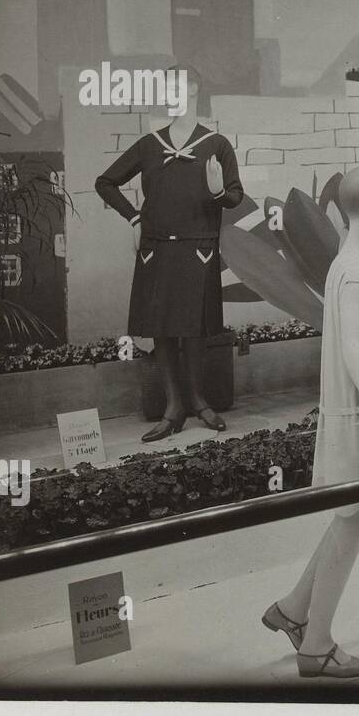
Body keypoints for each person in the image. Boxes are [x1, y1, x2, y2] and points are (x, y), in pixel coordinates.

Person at [262, 167, 359, 680]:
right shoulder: (355, 270)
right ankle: (316, 644)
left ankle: (294, 609)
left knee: (352, 516)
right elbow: (351, 346)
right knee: (352, 520)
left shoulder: (356, 265)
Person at [95, 67, 243, 442]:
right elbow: (105, 182)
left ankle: (198, 401)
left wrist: (216, 192)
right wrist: (134, 219)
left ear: (194, 88)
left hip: (199, 248)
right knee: (161, 330)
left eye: (176, 87)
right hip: (156, 249)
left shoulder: (216, 144)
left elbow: (235, 196)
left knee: (194, 329)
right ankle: (172, 407)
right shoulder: (149, 145)